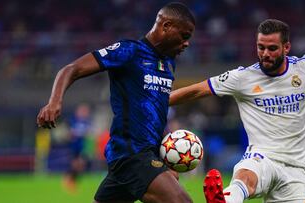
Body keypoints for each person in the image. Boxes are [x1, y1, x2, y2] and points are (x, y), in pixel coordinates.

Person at [169, 19, 305, 203]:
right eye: (260, 47)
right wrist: (159, 101)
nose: (265, 54)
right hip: (261, 157)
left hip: (295, 170)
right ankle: (224, 200)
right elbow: (198, 89)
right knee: (246, 178)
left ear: (286, 47)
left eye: (272, 48)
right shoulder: (243, 77)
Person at [37, 2, 195, 203]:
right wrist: (54, 102)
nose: (187, 43)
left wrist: (163, 158)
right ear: (166, 26)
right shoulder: (129, 51)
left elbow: (157, 107)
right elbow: (71, 69)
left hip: (141, 157)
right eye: (184, 36)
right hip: (131, 155)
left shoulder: (169, 64)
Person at [63, 103, 92, 192]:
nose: (85, 113)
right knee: (76, 165)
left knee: (80, 165)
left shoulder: (87, 122)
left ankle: (70, 180)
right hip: (75, 146)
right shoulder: (73, 121)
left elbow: (89, 133)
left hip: (83, 147)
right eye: (83, 111)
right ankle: (68, 180)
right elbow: (68, 133)